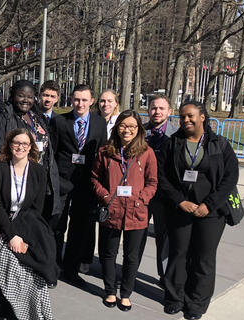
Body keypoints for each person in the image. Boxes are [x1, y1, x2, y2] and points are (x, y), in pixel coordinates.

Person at [159, 101, 238, 320]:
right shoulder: (173, 143)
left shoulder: (219, 144)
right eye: (182, 117)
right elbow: (162, 177)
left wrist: (209, 205)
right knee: (178, 254)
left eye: (190, 116)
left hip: (211, 213)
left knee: (204, 258)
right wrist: (179, 201)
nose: (186, 120)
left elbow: (230, 177)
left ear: (202, 117)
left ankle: (197, 303)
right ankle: (175, 298)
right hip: (181, 210)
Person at [0, 80, 63, 265]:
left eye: (30, 96)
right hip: (17, 182)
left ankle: (33, 267)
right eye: (21, 95)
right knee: (16, 230)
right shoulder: (4, 117)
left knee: (35, 227)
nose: (25, 100)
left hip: (40, 179)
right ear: (13, 95)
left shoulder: (36, 116)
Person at [91, 110, 158, 311]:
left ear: (138, 129)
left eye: (131, 126)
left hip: (136, 212)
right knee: (108, 253)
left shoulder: (147, 152)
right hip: (112, 210)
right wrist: (104, 196)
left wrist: (142, 199)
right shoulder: (105, 151)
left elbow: (153, 182)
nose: (126, 130)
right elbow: (94, 177)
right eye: (123, 125)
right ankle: (110, 290)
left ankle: (126, 293)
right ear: (116, 127)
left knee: (131, 256)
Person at [0, 128, 58, 320]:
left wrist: (22, 236)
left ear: (31, 147)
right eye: (16, 143)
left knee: (26, 269)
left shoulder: (38, 171)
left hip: (27, 226)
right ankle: (3, 303)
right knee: (7, 265)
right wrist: (11, 235)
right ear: (9, 145)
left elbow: (36, 209)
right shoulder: (0, 168)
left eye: (24, 144)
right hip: (2, 225)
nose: (20, 147)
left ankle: (24, 308)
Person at [50, 84, 107, 286]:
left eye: (84, 100)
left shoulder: (100, 123)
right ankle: (53, 268)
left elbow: (102, 155)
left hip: (86, 185)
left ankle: (71, 269)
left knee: (79, 228)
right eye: (76, 99)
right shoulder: (59, 121)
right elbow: (53, 154)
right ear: (71, 100)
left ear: (92, 101)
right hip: (63, 182)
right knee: (57, 226)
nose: (80, 103)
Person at [141, 94, 177, 285]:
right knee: (137, 234)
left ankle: (164, 276)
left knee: (164, 237)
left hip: (165, 196)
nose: (157, 112)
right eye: (154, 108)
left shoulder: (177, 135)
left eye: (162, 108)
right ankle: (130, 272)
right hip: (142, 193)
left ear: (169, 112)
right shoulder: (139, 132)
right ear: (148, 110)